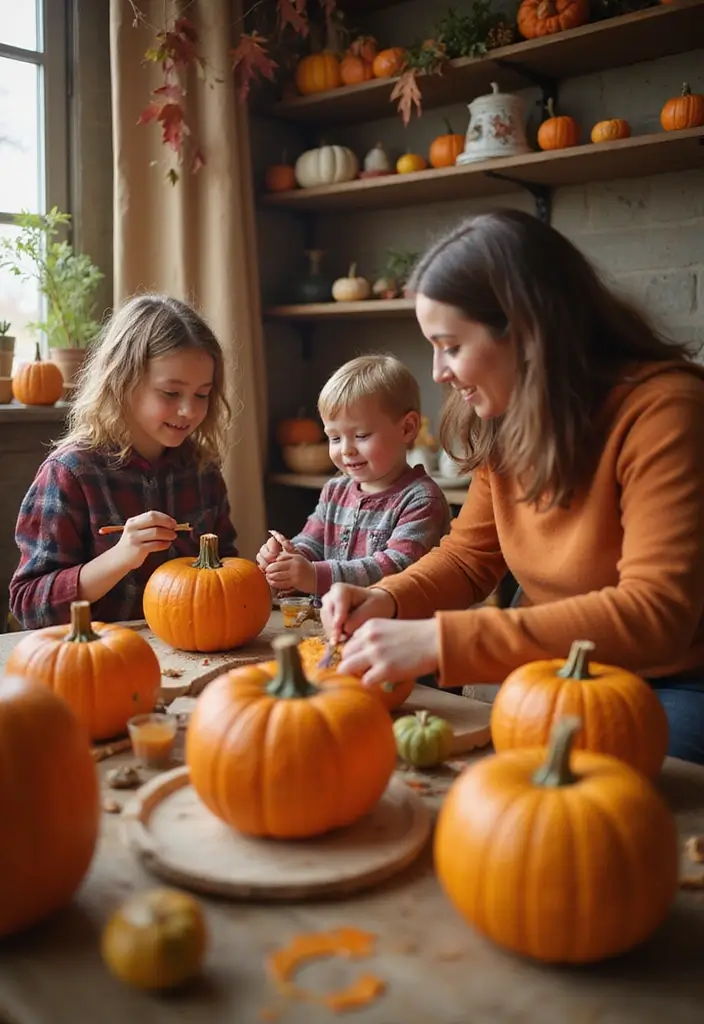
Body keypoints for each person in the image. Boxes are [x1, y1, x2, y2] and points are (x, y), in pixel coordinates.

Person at [321, 209, 704, 765]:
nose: (437, 373)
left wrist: (439, 641)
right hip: (554, 673)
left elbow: (656, 615)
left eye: (450, 346)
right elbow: (470, 556)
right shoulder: (506, 412)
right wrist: (388, 598)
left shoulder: (665, 411)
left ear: (525, 332)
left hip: (677, 680)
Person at [10, 294, 238, 629]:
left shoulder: (203, 472)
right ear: (122, 382)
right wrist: (119, 557)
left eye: (202, 395)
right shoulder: (70, 473)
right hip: (96, 660)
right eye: (171, 393)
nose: (189, 411)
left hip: (190, 653)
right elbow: (29, 607)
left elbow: (227, 570)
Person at [258, 354, 450, 598]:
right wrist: (289, 557)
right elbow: (312, 542)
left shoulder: (422, 500)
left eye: (361, 435)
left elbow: (396, 567)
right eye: (335, 438)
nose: (346, 449)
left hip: (395, 628)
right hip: (336, 625)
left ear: (407, 428)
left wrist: (314, 576)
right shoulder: (335, 490)